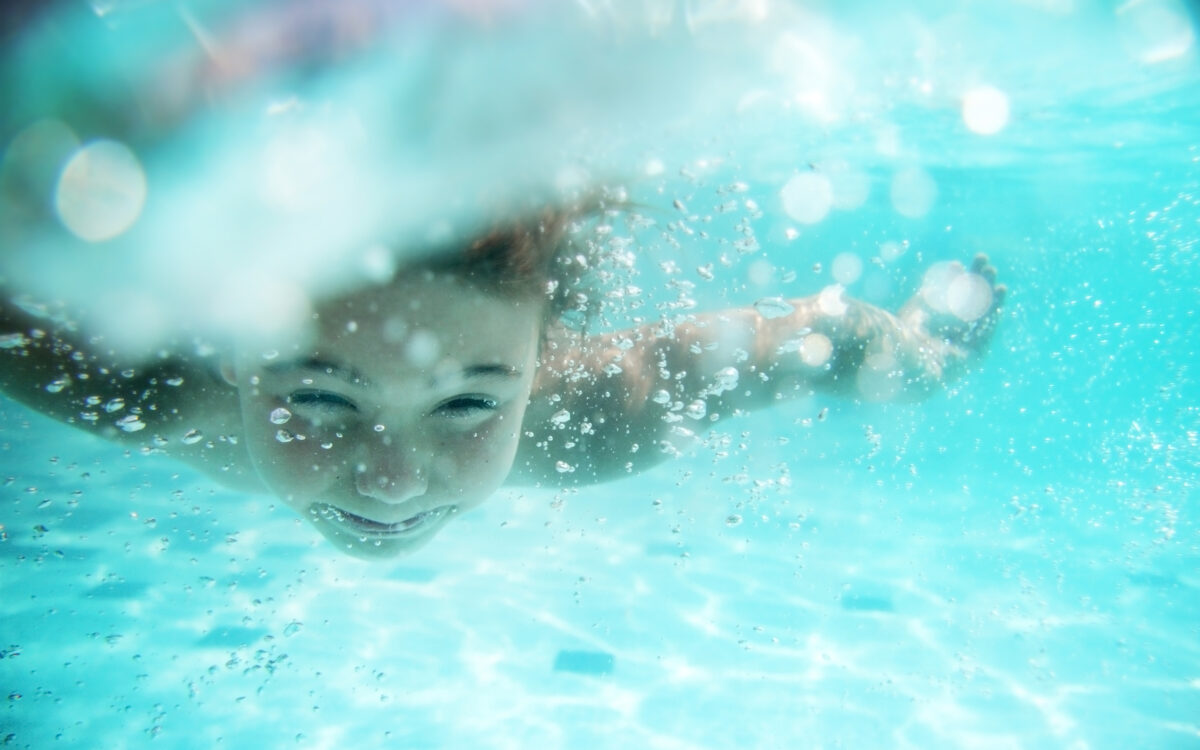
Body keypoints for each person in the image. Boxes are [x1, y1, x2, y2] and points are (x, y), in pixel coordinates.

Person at [0, 204, 1005, 559]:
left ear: (543, 358)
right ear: (228, 343)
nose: (391, 481)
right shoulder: (139, 381)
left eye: (472, 400)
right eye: (318, 397)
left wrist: (923, 350)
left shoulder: (592, 417)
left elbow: (813, 337)